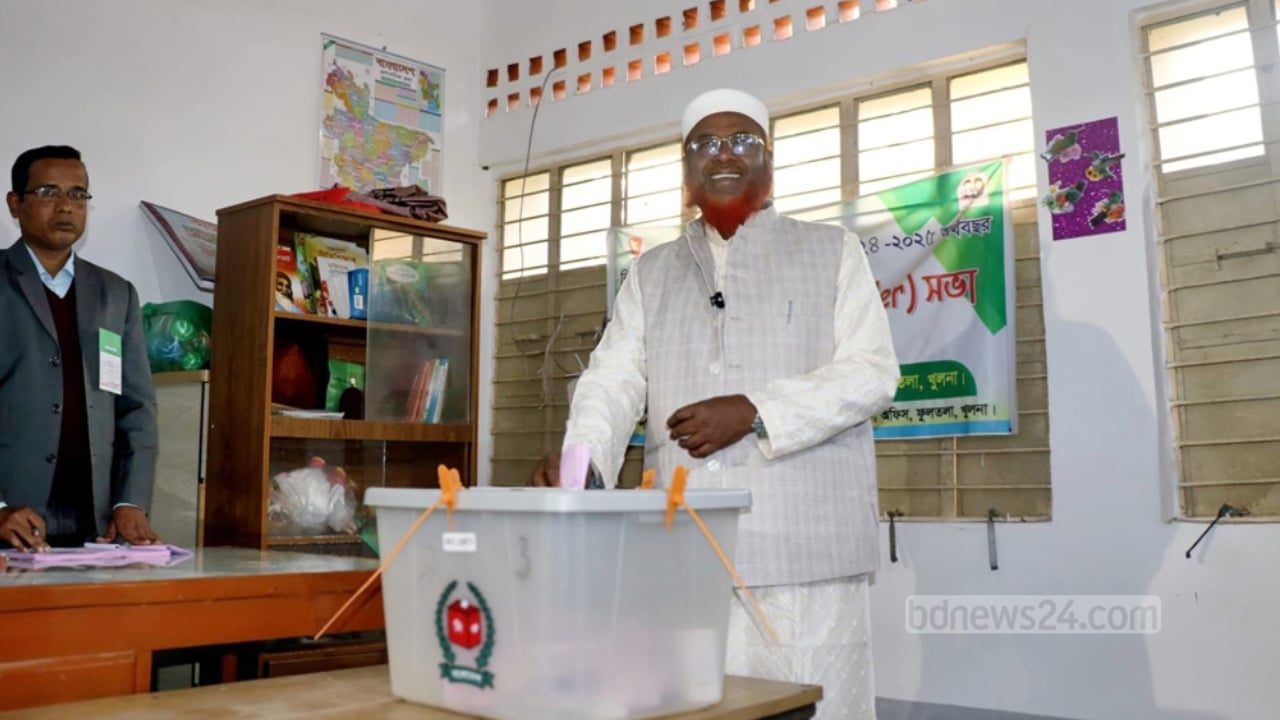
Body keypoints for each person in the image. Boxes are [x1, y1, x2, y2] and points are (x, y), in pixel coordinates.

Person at [531, 89, 900, 718]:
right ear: (686, 168)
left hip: (806, 548)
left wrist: (756, 409)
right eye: (704, 143)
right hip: (687, 551)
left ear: (769, 159)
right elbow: (611, 381)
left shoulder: (832, 250)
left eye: (742, 140)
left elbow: (872, 373)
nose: (723, 154)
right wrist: (580, 466)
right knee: (695, 707)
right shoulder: (651, 273)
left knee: (818, 707)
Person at [0, 145, 160, 551]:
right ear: (15, 203)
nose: (65, 206)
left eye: (77, 194)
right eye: (48, 192)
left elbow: (136, 409)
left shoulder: (116, 294)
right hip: (11, 519)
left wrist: (129, 500)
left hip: (95, 526)